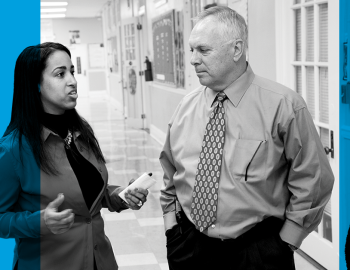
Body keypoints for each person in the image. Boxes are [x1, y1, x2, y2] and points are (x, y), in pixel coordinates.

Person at [159, 6, 334, 270]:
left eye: (203, 50)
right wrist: (172, 227)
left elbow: (313, 178)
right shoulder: (185, 107)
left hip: (257, 252)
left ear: (236, 50)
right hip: (190, 247)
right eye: (191, 50)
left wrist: (286, 241)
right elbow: (170, 171)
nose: (193, 60)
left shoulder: (284, 105)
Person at [0, 42, 148, 270]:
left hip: (99, 259)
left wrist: (120, 195)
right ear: (35, 84)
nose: (72, 80)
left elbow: (86, 190)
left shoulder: (80, 132)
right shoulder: (14, 149)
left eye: (72, 71)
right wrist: (39, 222)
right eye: (60, 74)